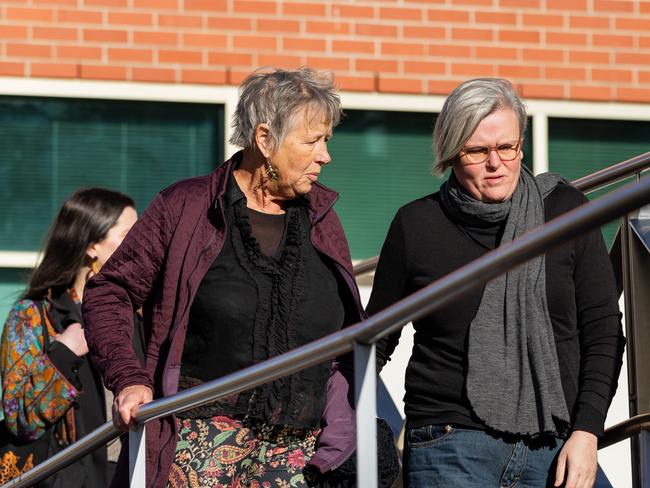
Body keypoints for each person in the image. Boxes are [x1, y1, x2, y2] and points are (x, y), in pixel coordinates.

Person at [82, 67, 372, 488]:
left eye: (325, 140)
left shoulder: (323, 220)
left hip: (300, 455)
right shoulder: (186, 207)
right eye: (311, 141)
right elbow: (111, 290)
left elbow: (347, 340)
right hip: (197, 446)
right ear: (265, 139)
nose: (325, 155)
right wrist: (129, 379)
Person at [366, 78, 625, 488]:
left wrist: (588, 431)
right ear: (451, 153)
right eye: (477, 150)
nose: (496, 163)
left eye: (507, 147)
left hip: (557, 442)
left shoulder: (564, 212)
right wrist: (347, 425)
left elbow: (603, 330)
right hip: (450, 441)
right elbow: (375, 340)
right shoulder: (417, 224)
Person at [0, 187, 138, 486]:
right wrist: (63, 353)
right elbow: (19, 418)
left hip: (134, 472)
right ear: (92, 246)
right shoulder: (33, 317)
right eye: (128, 235)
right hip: (68, 478)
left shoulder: (142, 314)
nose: (140, 244)